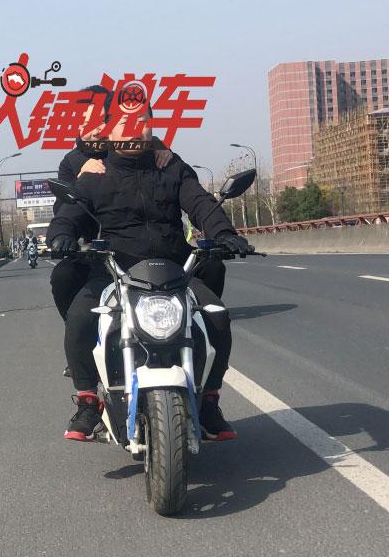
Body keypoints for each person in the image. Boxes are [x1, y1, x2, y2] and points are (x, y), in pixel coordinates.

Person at [48, 113, 252, 442]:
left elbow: (200, 203)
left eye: (141, 122)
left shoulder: (170, 166)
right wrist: (60, 236)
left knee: (216, 316)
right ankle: (87, 401)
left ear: (151, 127)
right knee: (80, 318)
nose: (134, 130)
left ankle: (209, 401)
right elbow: (70, 213)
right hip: (114, 271)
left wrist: (225, 234)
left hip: (173, 268)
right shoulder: (95, 173)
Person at [49, 86, 178, 322]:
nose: (97, 130)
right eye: (88, 123)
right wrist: (80, 182)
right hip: (90, 247)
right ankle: (78, 330)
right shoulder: (71, 162)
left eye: (101, 121)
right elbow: (63, 211)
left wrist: (160, 145)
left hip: (132, 244)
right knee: (64, 277)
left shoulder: (128, 148)